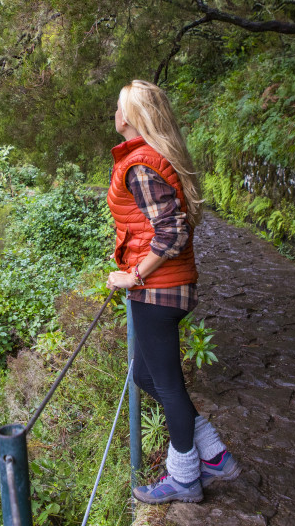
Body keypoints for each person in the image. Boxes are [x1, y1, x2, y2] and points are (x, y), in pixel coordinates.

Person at [105, 79, 239, 505]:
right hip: (170, 288)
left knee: (167, 384)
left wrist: (134, 275)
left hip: (159, 291)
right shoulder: (147, 159)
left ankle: (184, 477)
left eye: (119, 105)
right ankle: (213, 455)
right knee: (145, 375)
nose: (115, 111)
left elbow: (171, 231)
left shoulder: (141, 164)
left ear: (131, 117)